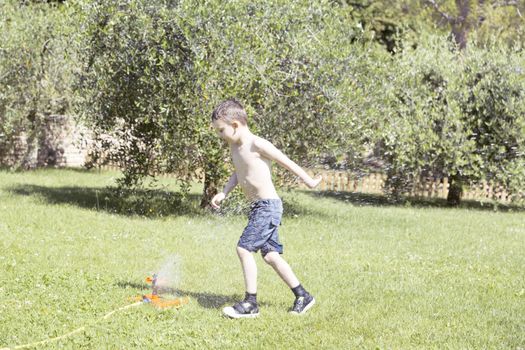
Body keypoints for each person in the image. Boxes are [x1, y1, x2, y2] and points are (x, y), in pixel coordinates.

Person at [210, 99, 322, 319]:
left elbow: (286, 161)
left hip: (268, 207)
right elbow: (238, 172)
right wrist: (224, 191)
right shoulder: (235, 147)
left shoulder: (257, 144)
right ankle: (303, 295)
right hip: (258, 208)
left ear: (234, 125)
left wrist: (309, 181)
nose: (220, 135)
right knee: (270, 256)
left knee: (244, 248)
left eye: (221, 130)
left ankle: (250, 303)